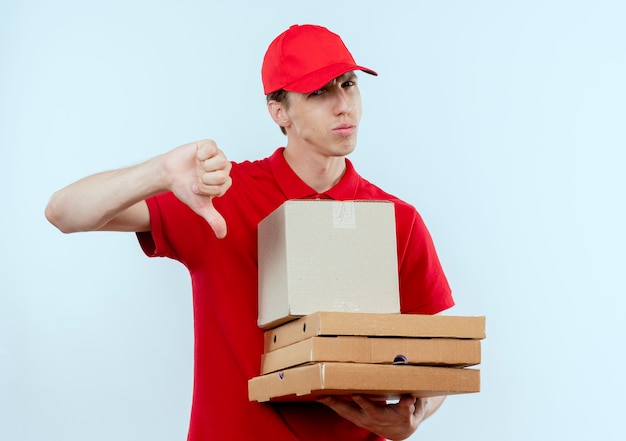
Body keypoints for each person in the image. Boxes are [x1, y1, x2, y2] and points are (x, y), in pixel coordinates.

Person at [45, 24, 454, 440]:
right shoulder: (219, 197)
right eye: (319, 93)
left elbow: (439, 358)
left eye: (349, 85)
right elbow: (64, 213)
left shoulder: (396, 219)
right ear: (279, 112)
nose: (344, 105)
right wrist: (160, 173)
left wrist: (417, 414)